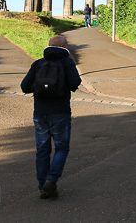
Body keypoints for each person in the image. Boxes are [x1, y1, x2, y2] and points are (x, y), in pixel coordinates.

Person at [20, 35, 82, 199]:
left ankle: (42, 186)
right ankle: (51, 180)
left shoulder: (38, 63)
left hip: (40, 113)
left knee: (42, 150)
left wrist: (40, 88)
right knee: (61, 148)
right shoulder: (67, 62)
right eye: (66, 43)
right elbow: (75, 83)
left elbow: (24, 86)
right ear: (63, 46)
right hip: (60, 112)